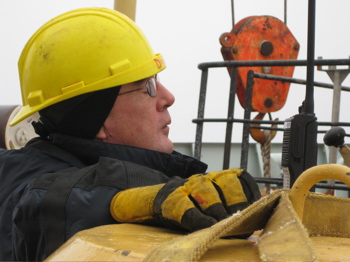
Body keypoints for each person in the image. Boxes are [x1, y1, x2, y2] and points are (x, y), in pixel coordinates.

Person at [0, 7, 261, 261]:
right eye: (147, 86)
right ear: (95, 120)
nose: (168, 97)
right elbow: (50, 202)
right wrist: (148, 195)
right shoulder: (27, 181)